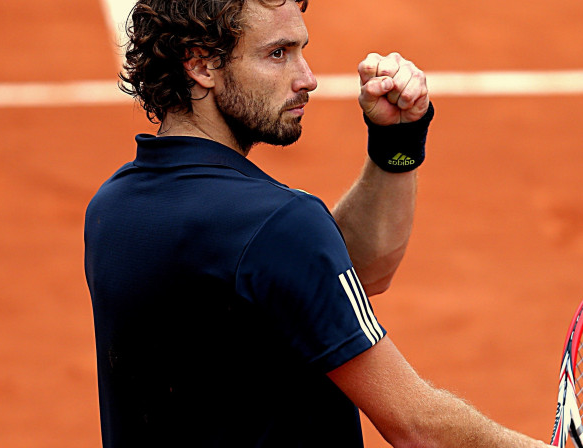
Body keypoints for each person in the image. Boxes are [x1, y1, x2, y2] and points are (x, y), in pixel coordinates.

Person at [84, 0, 550, 446]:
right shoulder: (278, 224)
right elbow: (418, 426)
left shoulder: (112, 208)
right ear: (202, 66)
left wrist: (396, 145)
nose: (307, 78)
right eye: (278, 54)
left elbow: (345, 274)